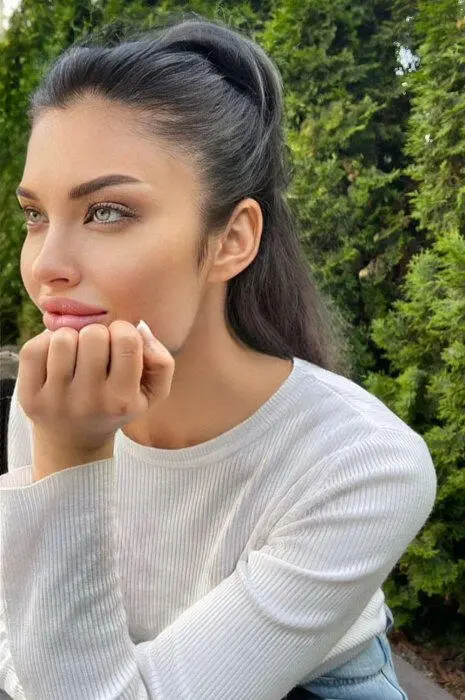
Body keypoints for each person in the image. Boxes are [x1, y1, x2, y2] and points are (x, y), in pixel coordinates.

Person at [0, 12, 437, 699]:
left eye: (108, 211)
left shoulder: (364, 462)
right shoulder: (56, 403)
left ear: (233, 238)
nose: (45, 265)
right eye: (36, 215)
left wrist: (72, 458)